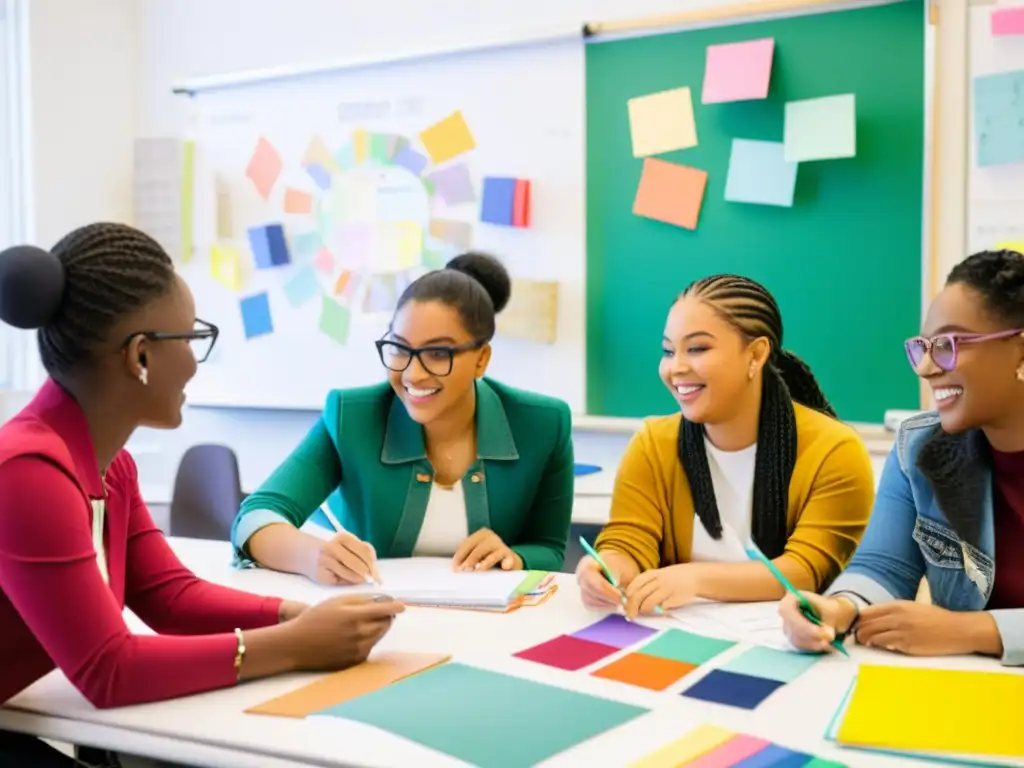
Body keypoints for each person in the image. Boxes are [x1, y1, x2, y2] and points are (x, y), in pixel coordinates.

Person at [0, 224, 404, 767]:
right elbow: (107, 671)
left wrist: (297, 615)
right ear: (140, 355)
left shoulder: (109, 466)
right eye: (190, 339)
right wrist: (298, 645)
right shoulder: (28, 473)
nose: (194, 362)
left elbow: (170, 597)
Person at [231, 252, 574, 583]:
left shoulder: (544, 424)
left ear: (482, 359)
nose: (413, 374)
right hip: (376, 618)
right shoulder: (352, 417)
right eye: (399, 348)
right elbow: (255, 517)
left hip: (492, 625)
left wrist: (515, 557)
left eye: (438, 353)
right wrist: (312, 556)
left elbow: (550, 548)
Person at [578, 274, 876, 618]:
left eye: (698, 349)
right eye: (668, 351)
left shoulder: (834, 451)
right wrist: (608, 568)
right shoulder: (652, 443)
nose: (676, 368)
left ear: (756, 354)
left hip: (795, 642)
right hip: (678, 640)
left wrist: (695, 580)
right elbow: (629, 540)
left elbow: (805, 570)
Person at [780, 250, 1024, 667]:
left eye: (948, 344)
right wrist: (840, 608)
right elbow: (883, 567)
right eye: (922, 347)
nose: (926, 367)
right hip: (976, 695)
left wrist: (973, 631)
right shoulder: (918, 448)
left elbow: (959, 631)